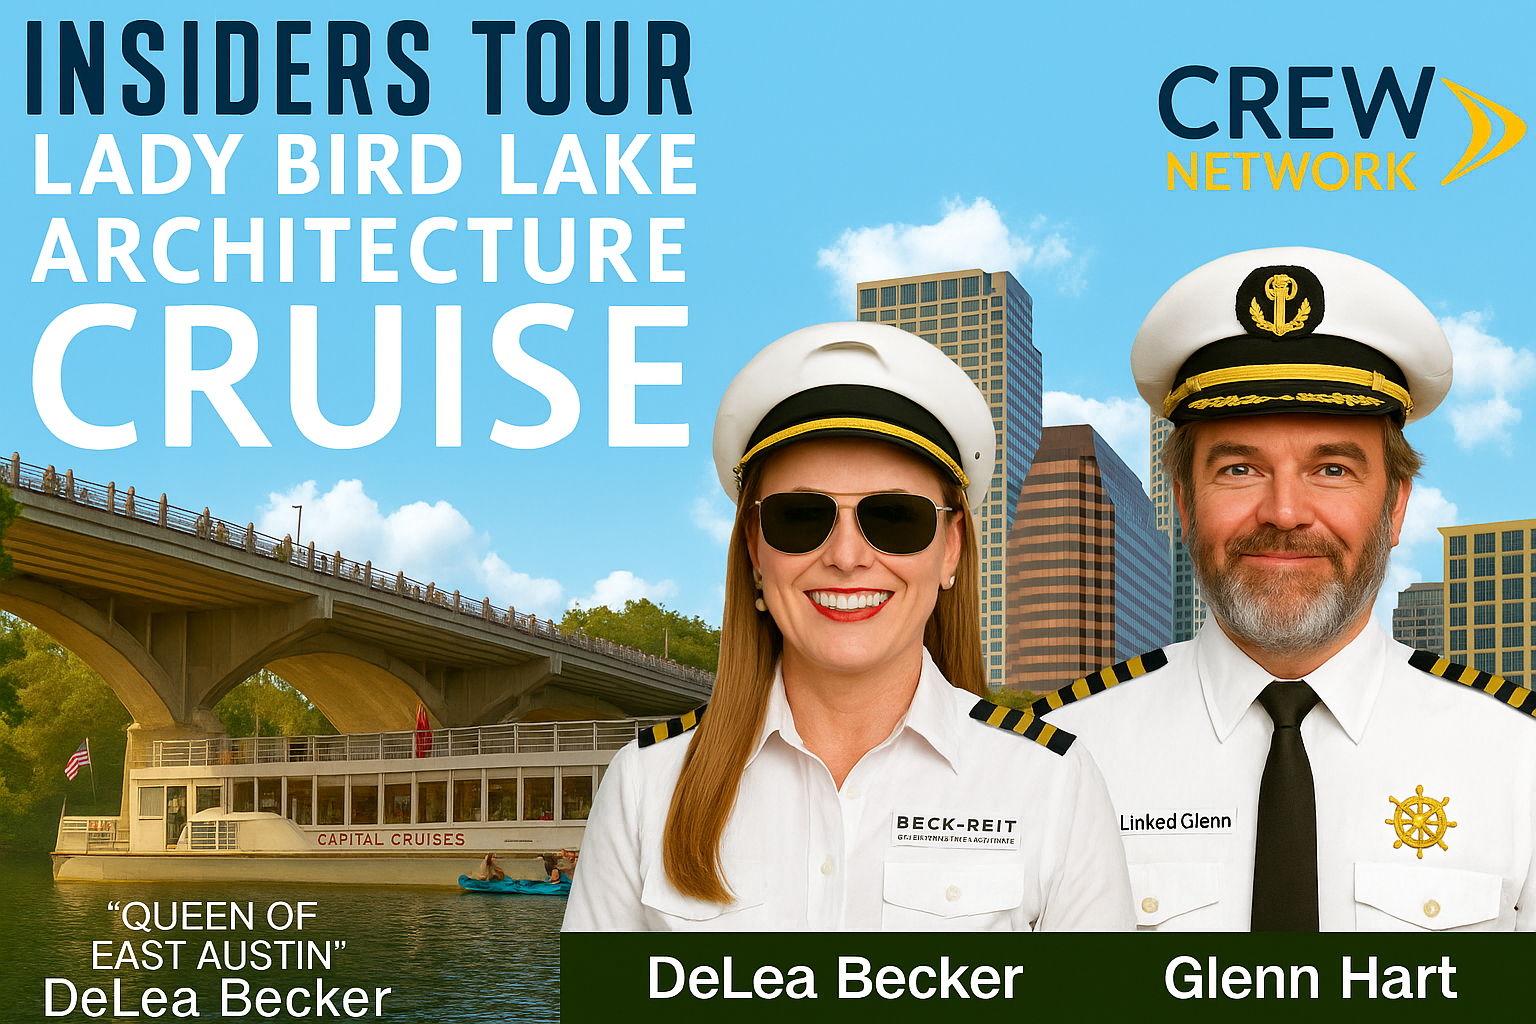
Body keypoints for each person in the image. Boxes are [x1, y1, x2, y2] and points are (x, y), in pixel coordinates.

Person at [565, 321, 1133, 931]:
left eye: (893, 518)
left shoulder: (1051, 781)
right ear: (755, 550)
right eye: (800, 516)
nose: (845, 555)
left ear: (950, 550)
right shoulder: (645, 784)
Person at [1036, 246, 1536, 931]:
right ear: (1183, 505)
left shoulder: (1519, 761)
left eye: (1331, 469)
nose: (1284, 511)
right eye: (1239, 469)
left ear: (1395, 508)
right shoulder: (1057, 752)